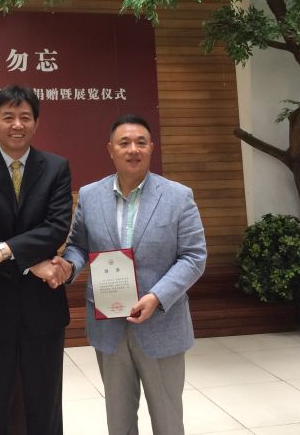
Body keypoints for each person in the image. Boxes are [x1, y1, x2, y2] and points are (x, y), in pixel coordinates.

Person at [51, 114, 207, 435]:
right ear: (110, 149)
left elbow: (194, 256)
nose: (133, 149)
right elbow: (79, 245)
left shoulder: (178, 196)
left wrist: (157, 297)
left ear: (152, 148)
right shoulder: (90, 195)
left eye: (141, 142)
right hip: (109, 327)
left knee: (168, 421)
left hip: (161, 324)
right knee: (119, 421)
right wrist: (69, 266)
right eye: (124, 143)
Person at [0, 85, 72, 435]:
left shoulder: (56, 168)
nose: (17, 125)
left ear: (36, 123)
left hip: (43, 308)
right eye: (8, 117)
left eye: (25, 117)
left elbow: (55, 228)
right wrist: (31, 263)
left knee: (45, 403)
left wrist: (5, 250)